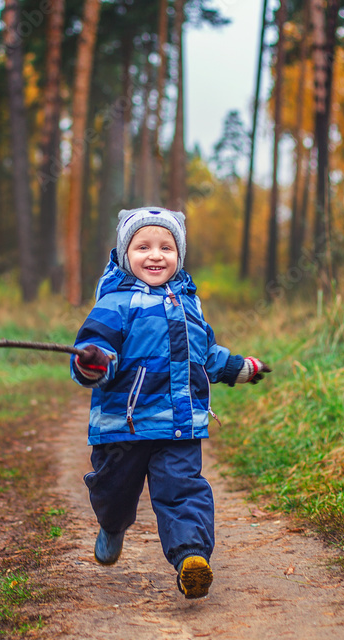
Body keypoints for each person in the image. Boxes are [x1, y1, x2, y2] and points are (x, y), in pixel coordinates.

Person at [69, 206, 270, 600]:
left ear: (179, 255)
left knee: (183, 489)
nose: (156, 255)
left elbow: (206, 354)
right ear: (126, 253)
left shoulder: (188, 305)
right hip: (122, 428)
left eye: (166, 247)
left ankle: (191, 557)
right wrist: (92, 362)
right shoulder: (115, 303)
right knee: (113, 491)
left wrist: (237, 368)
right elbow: (97, 353)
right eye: (143, 246)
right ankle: (111, 525)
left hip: (178, 424)